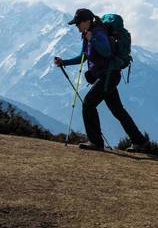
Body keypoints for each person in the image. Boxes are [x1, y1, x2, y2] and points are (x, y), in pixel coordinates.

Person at [54, 8, 148, 152]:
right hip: (107, 76)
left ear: (86, 21)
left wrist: (92, 39)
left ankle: (96, 142)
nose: (76, 26)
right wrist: (64, 62)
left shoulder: (98, 32)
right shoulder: (87, 34)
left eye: (78, 23)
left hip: (109, 76)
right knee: (118, 111)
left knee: (88, 104)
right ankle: (139, 141)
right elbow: (82, 57)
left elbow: (106, 51)